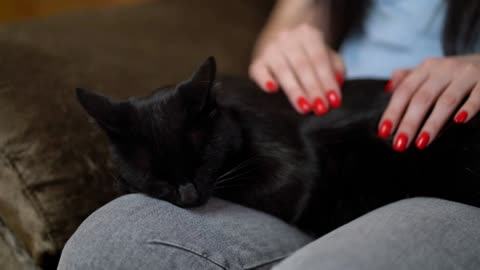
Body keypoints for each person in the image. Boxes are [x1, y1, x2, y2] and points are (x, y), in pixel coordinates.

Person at [58, 1, 480, 269]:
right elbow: (299, 12)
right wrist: (293, 35)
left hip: (440, 169)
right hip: (313, 134)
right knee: (109, 243)